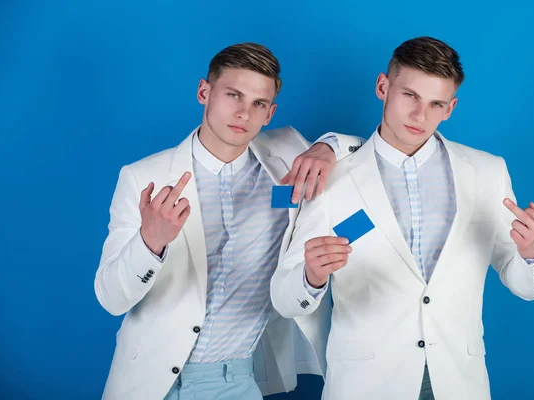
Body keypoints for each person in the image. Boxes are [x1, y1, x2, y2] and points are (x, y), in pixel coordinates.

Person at [270, 36, 534, 400]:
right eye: (410, 96)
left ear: (450, 108)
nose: (421, 115)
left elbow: (526, 286)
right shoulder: (331, 177)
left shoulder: (487, 172)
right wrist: (310, 276)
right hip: (365, 384)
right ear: (383, 87)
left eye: (436, 103)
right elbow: (283, 297)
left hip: (458, 382)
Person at [95, 42, 364, 400]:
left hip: (237, 380)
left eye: (258, 104)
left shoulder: (288, 155)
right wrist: (150, 242)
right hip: (151, 384)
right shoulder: (144, 177)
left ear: (270, 113)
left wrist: (327, 146)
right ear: (204, 92)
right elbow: (111, 299)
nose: (243, 113)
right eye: (232, 95)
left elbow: (371, 161)